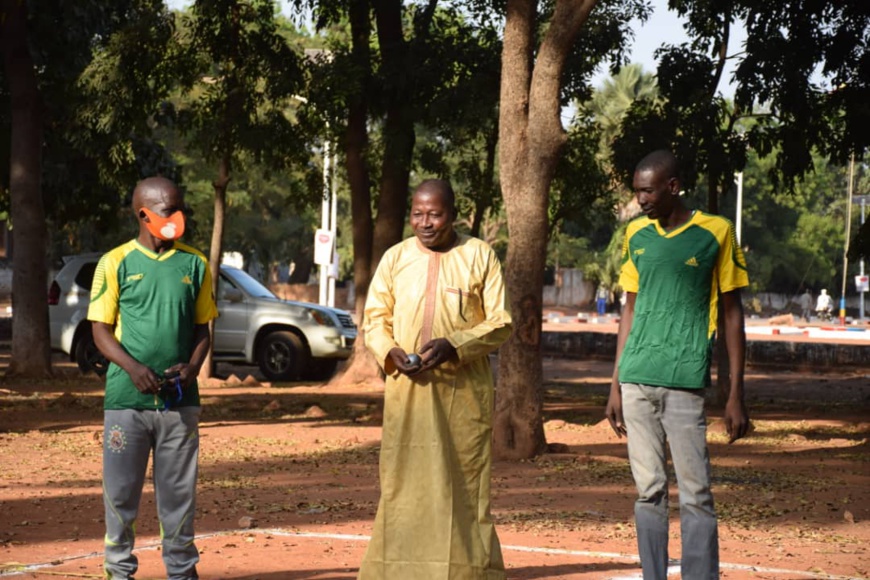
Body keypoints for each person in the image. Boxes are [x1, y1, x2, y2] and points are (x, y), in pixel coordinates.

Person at [605, 150, 750, 580]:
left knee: (696, 495)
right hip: (636, 381)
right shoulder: (637, 235)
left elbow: (732, 315)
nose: (641, 200)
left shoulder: (716, 232)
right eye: (636, 192)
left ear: (672, 187)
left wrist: (735, 394)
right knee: (648, 493)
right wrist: (614, 384)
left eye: (647, 191)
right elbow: (628, 312)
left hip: (685, 381)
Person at [360, 179, 512, 579]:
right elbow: (374, 319)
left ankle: (470, 571)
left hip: (463, 397)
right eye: (418, 213)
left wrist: (456, 345)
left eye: (435, 214)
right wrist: (390, 351)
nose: (425, 223)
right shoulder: (394, 258)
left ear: (453, 214)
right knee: (401, 484)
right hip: (407, 394)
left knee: (464, 484)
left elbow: (500, 322)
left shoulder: (479, 255)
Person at [88, 176, 218, 580]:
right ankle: (118, 571)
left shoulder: (195, 263)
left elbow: (203, 329)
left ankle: (182, 571)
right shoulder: (115, 262)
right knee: (121, 493)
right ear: (143, 214)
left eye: (179, 208)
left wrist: (193, 367)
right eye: (167, 210)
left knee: (179, 495)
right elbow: (100, 329)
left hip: (180, 402)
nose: (177, 216)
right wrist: (133, 368)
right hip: (127, 401)